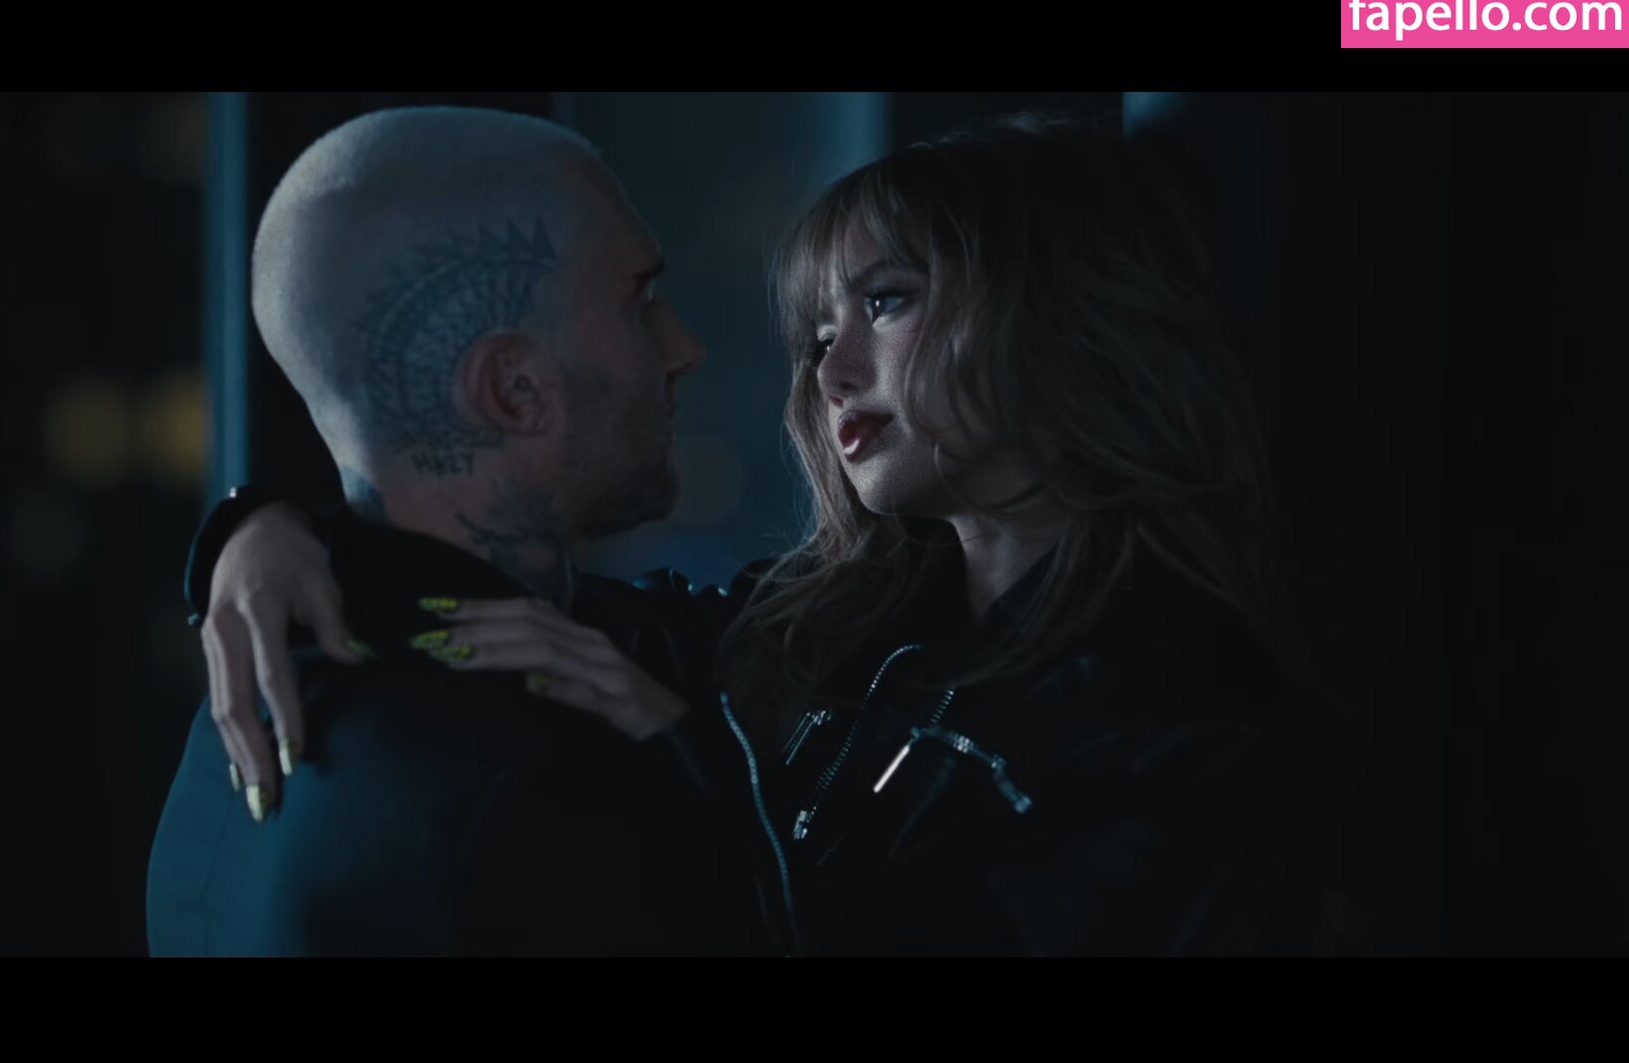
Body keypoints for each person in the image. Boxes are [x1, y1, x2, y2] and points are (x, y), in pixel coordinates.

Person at [189, 113, 1325, 955]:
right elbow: (491, 600)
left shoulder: (1174, 714)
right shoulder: (824, 631)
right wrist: (263, 530)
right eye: (816, 333)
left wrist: (684, 769)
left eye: (884, 301)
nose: (830, 370)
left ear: (1049, 307)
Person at [146, 106, 775, 956]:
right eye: (641, 304)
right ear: (514, 390)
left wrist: (249, 522)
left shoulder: (244, 717)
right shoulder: (548, 777)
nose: (683, 346)